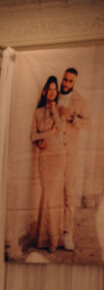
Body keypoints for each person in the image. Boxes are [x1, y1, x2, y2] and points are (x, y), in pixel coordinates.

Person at [30, 75, 66, 253]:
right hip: (44, 158)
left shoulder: (60, 110)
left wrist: (54, 111)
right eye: (49, 89)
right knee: (47, 197)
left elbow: (61, 129)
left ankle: (54, 239)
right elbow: (33, 135)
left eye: (54, 89)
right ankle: (44, 239)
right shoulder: (37, 112)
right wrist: (44, 137)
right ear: (44, 92)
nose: (52, 92)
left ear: (57, 92)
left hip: (58, 157)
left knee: (55, 198)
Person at [57, 67, 90, 251]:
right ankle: (53, 232)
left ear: (74, 82)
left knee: (68, 194)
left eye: (70, 81)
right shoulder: (53, 95)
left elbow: (88, 124)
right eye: (65, 79)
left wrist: (71, 118)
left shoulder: (80, 100)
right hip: (52, 153)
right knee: (53, 194)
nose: (66, 83)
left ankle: (68, 233)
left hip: (70, 153)